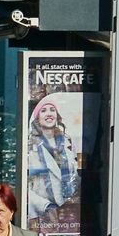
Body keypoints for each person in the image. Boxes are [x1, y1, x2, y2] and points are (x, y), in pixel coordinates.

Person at [25, 95, 79, 225]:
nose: (49, 114)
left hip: (68, 213)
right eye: (43, 111)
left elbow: (74, 175)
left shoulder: (67, 143)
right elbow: (24, 188)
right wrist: (46, 206)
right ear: (37, 117)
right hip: (42, 215)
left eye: (52, 110)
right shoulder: (29, 147)